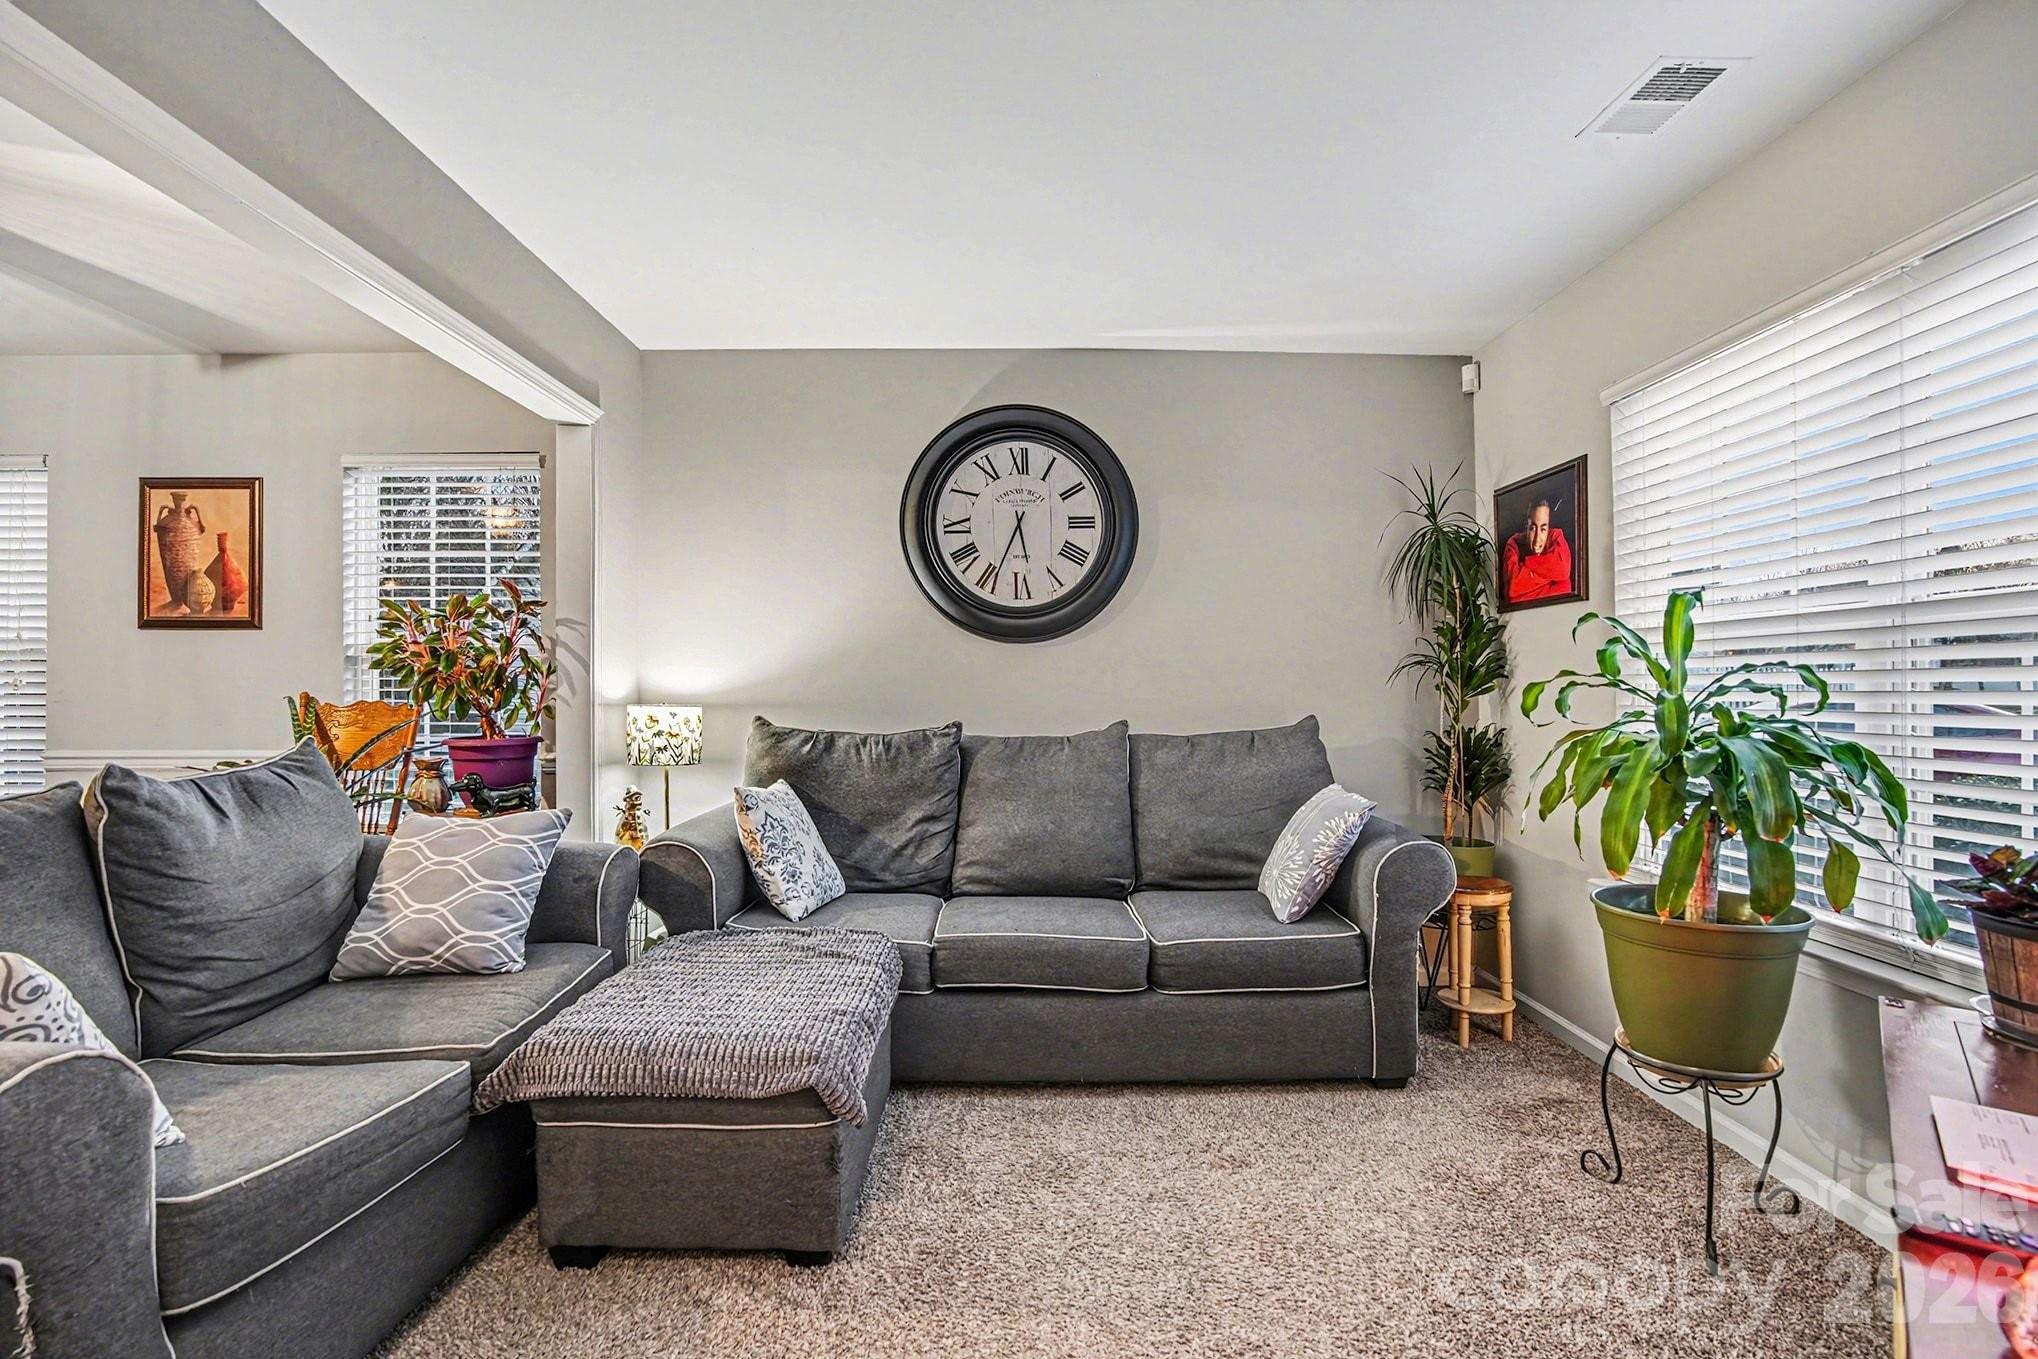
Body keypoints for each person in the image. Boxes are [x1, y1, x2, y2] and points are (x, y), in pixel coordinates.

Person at [1502, 498, 1572, 604]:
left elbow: (1564, 579)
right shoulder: (1514, 543)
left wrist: (1528, 562)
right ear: (1526, 528)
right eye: (1532, 529)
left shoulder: (1555, 536)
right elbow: (1512, 590)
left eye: (1543, 529)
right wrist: (1550, 576)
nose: (1537, 539)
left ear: (1549, 530)